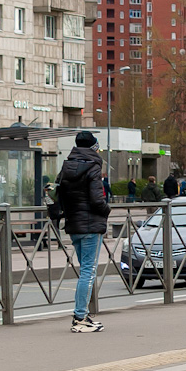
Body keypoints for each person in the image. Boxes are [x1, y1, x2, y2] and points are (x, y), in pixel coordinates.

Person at [55, 131, 111, 333]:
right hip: (90, 225)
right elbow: (97, 200)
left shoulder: (66, 165)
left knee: (84, 270)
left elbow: (59, 194)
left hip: (73, 225)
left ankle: (82, 315)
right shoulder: (93, 167)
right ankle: (80, 318)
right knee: (88, 271)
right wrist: (106, 211)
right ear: (93, 146)